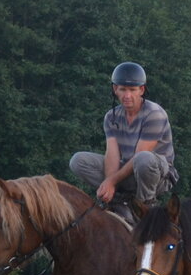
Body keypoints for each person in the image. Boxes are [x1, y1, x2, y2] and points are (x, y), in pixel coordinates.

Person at [70, 62, 178, 207]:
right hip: (128, 172)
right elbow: (112, 154)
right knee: (78, 161)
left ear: (141, 90)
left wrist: (111, 181)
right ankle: (115, 200)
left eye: (132, 90)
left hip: (157, 176)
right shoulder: (111, 117)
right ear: (115, 89)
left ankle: (144, 205)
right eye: (123, 89)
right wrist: (109, 184)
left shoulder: (154, 114)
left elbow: (140, 155)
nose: (127, 95)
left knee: (143, 158)